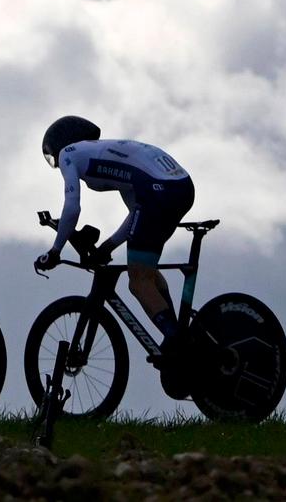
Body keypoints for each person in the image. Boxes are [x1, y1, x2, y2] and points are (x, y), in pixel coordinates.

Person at [35, 116, 194, 383]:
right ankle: (175, 334)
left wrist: (55, 250)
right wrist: (108, 246)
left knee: (137, 280)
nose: (56, 164)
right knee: (147, 271)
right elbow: (136, 214)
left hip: (158, 191)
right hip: (178, 187)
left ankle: (176, 339)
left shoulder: (68, 154)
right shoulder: (110, 155)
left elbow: (72, 206)